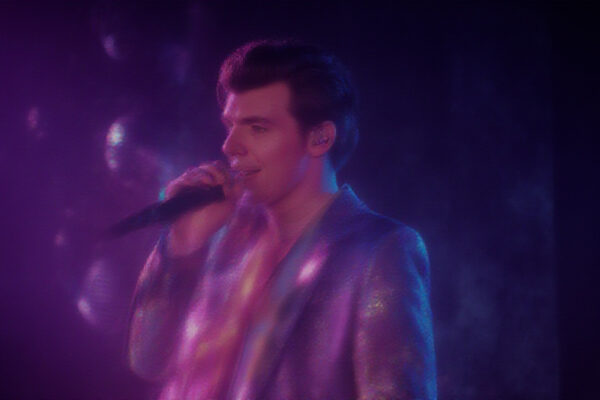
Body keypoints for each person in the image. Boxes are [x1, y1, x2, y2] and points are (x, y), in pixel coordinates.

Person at [127, 39, 437, 400]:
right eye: (230, 125)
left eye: (257, 128)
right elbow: (147, 361)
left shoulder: (381, 251)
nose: (230, 146)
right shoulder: (219, 231)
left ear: (320, 138)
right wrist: (182, 247)